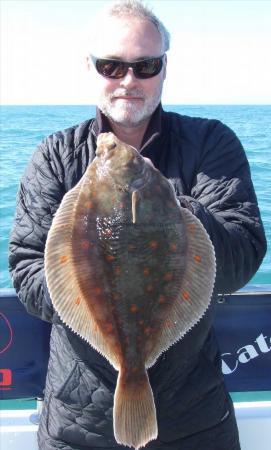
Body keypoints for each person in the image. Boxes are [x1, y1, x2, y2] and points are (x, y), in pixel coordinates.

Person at [9, 1, 267, 449]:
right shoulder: (55, 156)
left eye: (145, 66)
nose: (128, 80)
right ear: (91, 70)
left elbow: (241, 255)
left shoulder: (211, 143)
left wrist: (165, 208)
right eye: (112, 66)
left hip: (195, 420)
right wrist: (93, 281)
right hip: (78, 425)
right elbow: (28, 270)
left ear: (164, 69)